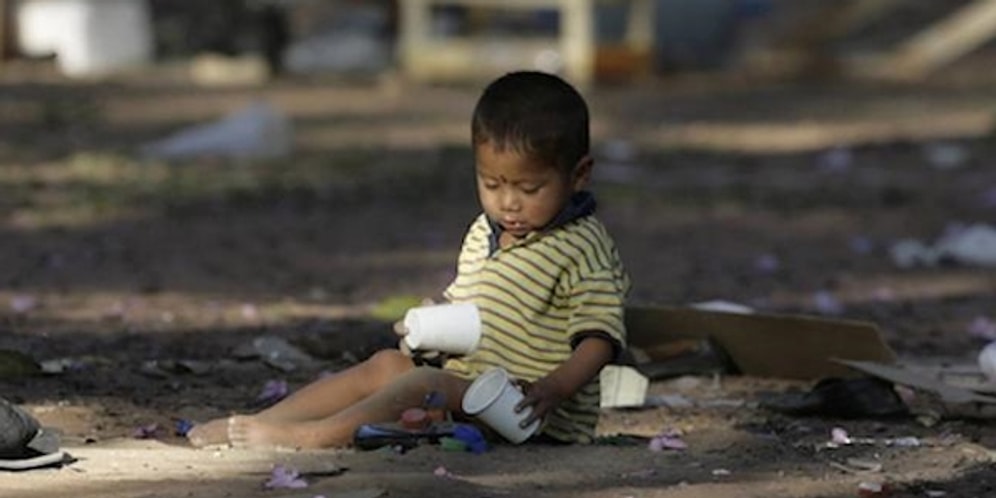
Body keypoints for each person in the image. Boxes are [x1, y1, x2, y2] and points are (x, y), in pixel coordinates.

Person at [187, 70, 630, 449]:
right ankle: (271, 420)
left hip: (530, 414)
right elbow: (473, 316)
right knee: (386, 365)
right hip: (468, 389)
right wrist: (431, 331)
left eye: (529, 189)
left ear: (578, 175)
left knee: (424, 385)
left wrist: (553, 388)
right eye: (492, 184)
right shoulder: (484, 231)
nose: (508, 203)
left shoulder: (582, 246)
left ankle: (312, 439)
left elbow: (600, 338)